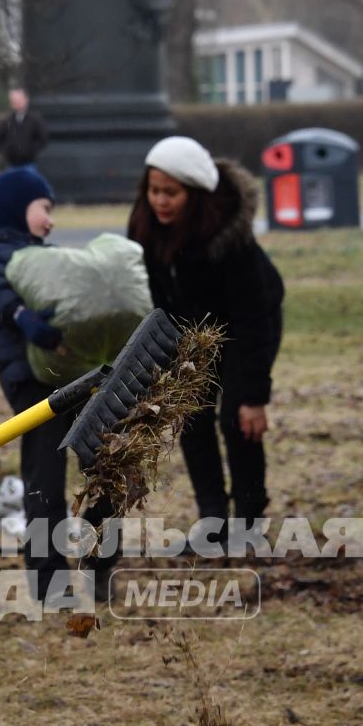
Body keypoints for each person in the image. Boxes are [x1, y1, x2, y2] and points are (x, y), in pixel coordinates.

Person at [127, 136, 284, 542]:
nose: (160, 200)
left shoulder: (230, 239)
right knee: (193, 419)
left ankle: (249, 523)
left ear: (194, 194)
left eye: (171, 193)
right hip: (191, 330)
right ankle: (213, 523)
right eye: (154, 190)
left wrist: (254, 396)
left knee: (238, 420)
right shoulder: (144, 227)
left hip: (248, 322)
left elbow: (252, 318)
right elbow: (155, 301)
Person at [0, 166, 103, 601]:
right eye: (45, 209)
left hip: (79, 375)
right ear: (17, 210)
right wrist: (24, 318)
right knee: (45, 477)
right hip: (32, 384)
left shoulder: (49, 256)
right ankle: (49, 582)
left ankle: (101, 569)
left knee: (106, 465)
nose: (51, 219)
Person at [0, 88, 48, 170]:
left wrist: (31, 150)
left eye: (19, 100)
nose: (17, 103)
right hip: (12, 164)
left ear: (26, 100)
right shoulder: (7, 121)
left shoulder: (35, 120)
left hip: (30, 163)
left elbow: (43, 139)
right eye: (14, 100)